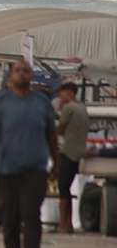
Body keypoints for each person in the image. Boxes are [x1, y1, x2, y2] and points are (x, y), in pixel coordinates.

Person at [0, 60, 58, 248]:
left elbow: (51, 134)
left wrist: (55, 162)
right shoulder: (0, 101)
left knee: (31, 213)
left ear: (31, 76)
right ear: (10, 77)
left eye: (26, 70)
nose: (22, 74)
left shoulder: (41, 102)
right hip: (7, 169)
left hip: (35, 168)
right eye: (17, 71)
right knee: (10, 217)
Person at [53, 82, 89, 235]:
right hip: (79, 152)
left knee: (63, 187)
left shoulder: (68, 108)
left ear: (68, 93)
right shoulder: (82, 107)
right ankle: (69, 224)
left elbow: (60, 130)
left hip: (68, 152)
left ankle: (63, 223)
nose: (60, 98)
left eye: (61, 95)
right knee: (67, 187)